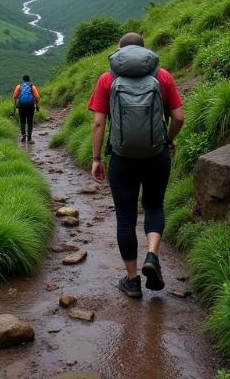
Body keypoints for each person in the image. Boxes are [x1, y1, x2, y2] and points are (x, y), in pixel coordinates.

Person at [88, 32, 184, 299]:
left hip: (122, 159)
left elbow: (98, 123)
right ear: (144, 51)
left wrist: (96, 159)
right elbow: (178, 117)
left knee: (125, 219)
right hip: (156, 155)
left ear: (119, 52)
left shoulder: (108, 78)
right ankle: (152, 255)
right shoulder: (162, 76)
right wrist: (167, 140)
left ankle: (132, 281)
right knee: (154, 206)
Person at [13, 74, 40, 143]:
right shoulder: (32, 86)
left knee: (22, 121)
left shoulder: (19, 86)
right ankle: (29, 138)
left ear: (23, 79)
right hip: (30, 106)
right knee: (30, 122)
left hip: (21, 106)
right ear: (29, 79)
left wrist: (16, 104)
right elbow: (37, 97)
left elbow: (15, 96)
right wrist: (36, 104)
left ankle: (23, 136)